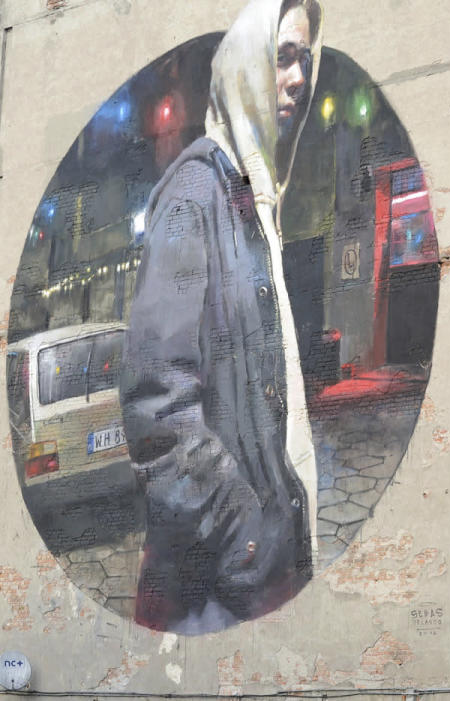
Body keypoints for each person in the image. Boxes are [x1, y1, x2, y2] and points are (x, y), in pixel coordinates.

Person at [120, 0, 323, 634]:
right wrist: (249, 542)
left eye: (305, 60)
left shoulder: (255, 194)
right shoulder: (194, 196)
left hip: (261, 581)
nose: (297, 77)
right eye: (282, 56)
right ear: (243, 67)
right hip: (216, 595)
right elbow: (158, 407)